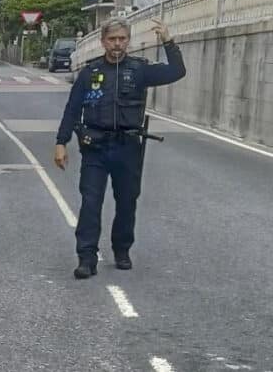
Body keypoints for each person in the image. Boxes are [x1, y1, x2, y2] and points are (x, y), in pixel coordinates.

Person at [55, 18, 185, 280]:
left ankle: (122, 249)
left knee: (127, 202)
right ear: (103, 41)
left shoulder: (139, 71)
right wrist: (61, 142)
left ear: (128, 40)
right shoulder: (89, 73)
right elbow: (72, 109)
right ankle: (86, 257)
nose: (117, 44)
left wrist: (168, 42)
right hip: (96, 149)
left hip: (127, 148)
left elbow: (177, 71)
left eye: (122, 39)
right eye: (112, 39)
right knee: (91, 203)